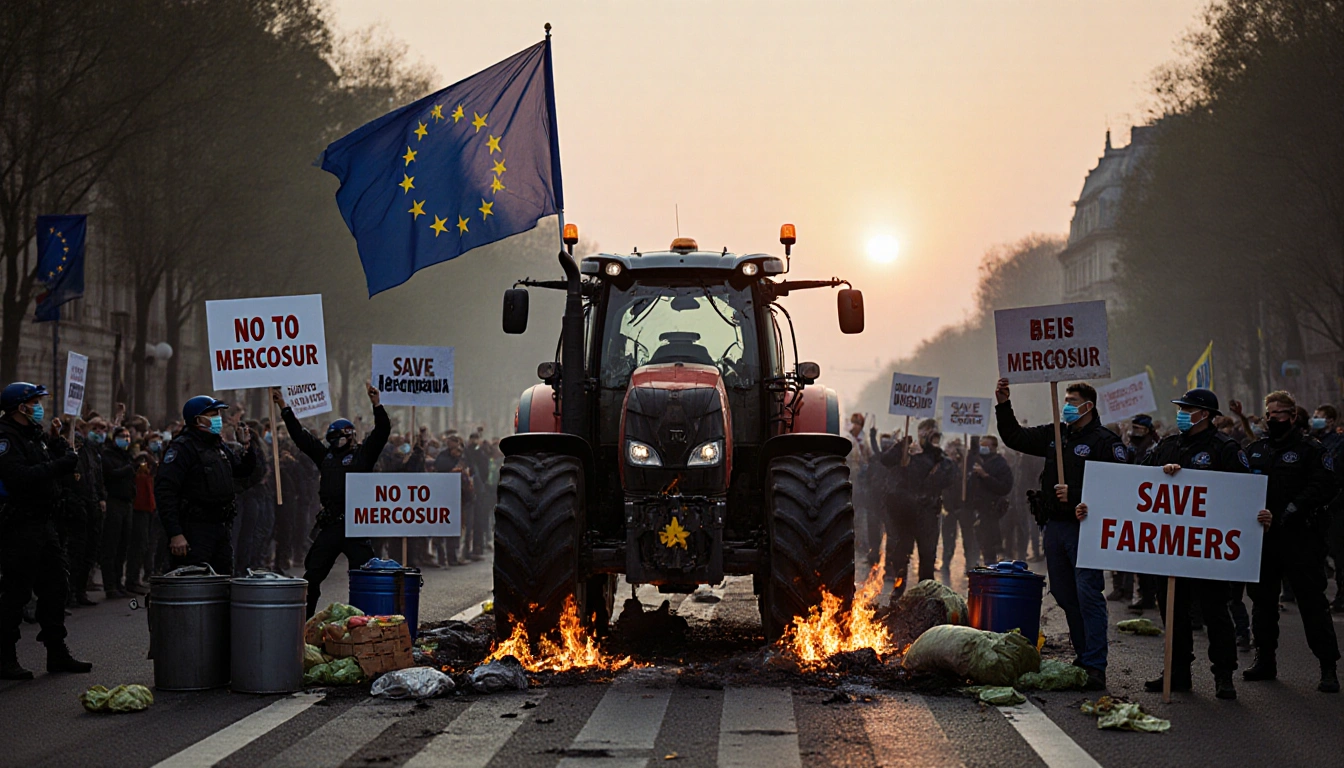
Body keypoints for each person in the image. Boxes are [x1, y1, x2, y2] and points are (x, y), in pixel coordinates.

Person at [1084, 388, 1259, 699]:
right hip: (1171, 550)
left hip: (1209, 551)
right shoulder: (1167, 446)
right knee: (1173, 611)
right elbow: (1137, 482)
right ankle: (1177, 672)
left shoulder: (1225, 448)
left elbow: (1244, 494)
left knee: (1215, 611)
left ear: (1204, 414)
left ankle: (1223, 674)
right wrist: (1160, 475)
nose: (1181, 414)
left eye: (1186, 409)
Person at [995, 378, 1125, 691]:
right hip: (1054, 527)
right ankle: (1083, 656)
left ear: (1088, 406)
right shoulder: (1056, 434)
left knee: (1088, 594)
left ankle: (1095, 664)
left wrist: (1080, 495)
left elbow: (1122, 486)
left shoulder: (1106, 442)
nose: (1066, 405)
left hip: (1085, 527)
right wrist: (1003, 404)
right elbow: (1015, 437)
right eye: (1064, 399)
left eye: (1071, 400)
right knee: (1065, 596)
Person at [1243, 390, 1341, 693]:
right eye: (1268, 413)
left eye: (1279, 413)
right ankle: (1265, 659)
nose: (1273, 418)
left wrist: (1290, 511)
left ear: (1293, 416)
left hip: (1301, 538)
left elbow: (1324, 486)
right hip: (1264, 539)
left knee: (1312, 603)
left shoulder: (1311, 449)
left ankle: (1327, 667)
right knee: (1262, 602)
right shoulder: (1256, 449)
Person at [0, 382, 92, 679]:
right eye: (36, 402)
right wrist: (60, 465)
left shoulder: (34, 435)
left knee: (56, 586)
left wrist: (55, 443)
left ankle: (56, 651)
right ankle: (5, 656)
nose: (40, 407)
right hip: (20, 526)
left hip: (45, 523)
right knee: (16, 591)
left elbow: (45, 462)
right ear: (21, 406)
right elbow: (19, 477)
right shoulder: (6, 438)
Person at [274, 382, 389, 617]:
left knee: (365, 577)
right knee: (312, 575)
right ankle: (302, 624)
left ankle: (365, 623)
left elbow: (381, 432)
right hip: (332, 525)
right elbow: (302, 438)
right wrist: (284, 408)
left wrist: (377, 405)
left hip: (357, 526)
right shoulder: (325, 456)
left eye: (338, 438)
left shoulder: (362, 456)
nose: (334, 442)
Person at [156, 396, 258, 575]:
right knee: (196, 582)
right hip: (195, 529)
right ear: (197, 419)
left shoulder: (217, 445)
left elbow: (243, 470)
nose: (218, 418)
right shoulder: (183, 448)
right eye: (213, 414)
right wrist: (175, 533)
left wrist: (247, 446)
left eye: (219, 413)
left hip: (221, 527)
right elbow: (166, 492)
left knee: (224, 581)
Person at [877, 419, 957, 595]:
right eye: (925, 431)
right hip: (905, 514)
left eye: (933, 432)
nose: (929, 436)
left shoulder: (938, 458)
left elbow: (948, 477)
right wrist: (901, 447)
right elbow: (885, 460)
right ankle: (897, 594)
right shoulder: (906, 453)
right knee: (900, 558)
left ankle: (924, 596)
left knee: (927, 559)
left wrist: (931, 452)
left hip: (927, 514)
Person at [99, 425, 136, 597]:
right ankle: (110, 585)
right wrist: (128, 469)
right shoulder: (107, 455)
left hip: (127, 503)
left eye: (128, 436)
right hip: (114, 502)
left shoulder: (126, 455)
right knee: (111, 546)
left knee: (123, 546)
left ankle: (119, 582)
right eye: (123, 436)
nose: (127, 439)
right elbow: (110, 474)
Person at [967, 435, 1014, 564]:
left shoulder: (1000, 465)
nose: (982, 448)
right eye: (981, 445)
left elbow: (1005, 487)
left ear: (993, 447)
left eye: (985, 445)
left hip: (991, 511)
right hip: (976, 510)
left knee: (990, 545)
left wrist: (985, 476)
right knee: (976, 542)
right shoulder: (976, 461)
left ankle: (991, 566)